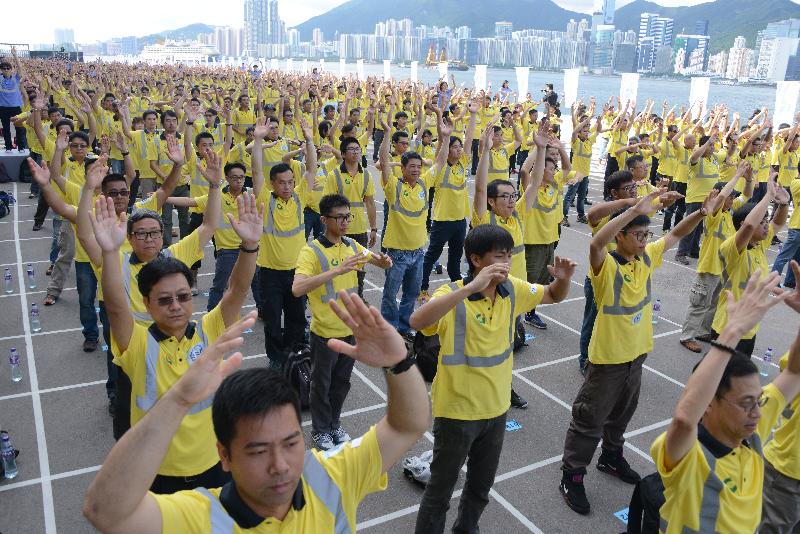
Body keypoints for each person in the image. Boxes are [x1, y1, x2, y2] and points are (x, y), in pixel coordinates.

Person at [83, 292, 431, 532]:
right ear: (225, 455)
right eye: (258, 450)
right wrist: (176, 401)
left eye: (291, 442)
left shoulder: (330, 477)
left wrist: (400, 363)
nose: (280, 465)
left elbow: (408, 426)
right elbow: (105, 512)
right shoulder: (202, 517)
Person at [411, 224, 576, 534]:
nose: (507, 263)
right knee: (439, 492)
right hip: (457, 412)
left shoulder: (511, 287)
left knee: (479, 488)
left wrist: (563, 280)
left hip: (496, 410)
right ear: (476, 260)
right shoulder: (451, 295)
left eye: (509, 256)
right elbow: (418, 321)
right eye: (500, 257)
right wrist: (469, 289)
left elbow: (553, 294)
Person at [97, 185, 260, 494]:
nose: (175, 306)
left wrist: (250, 246)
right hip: (157, 470)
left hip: (213, 465)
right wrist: (108, 252)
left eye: (183, 296)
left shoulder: (208, 330)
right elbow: (117, 306)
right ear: (146, 304)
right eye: (164, 299)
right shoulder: (138, 343)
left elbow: (235, 291)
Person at [559, 188, 711, 515]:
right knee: (589, 420)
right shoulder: (606, 268)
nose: (644, 240)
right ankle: (571, 474)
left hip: (636, 357)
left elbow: (673, 235)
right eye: (638, 235)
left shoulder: (644, 258)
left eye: (646, 234)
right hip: (608, 361)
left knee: (622, 414)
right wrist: (630, 212)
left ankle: (611, 456)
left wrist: (700, 214)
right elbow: (595, 244)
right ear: (621, 236)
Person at [652, 270, 800, 533]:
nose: (758, 412)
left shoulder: (751, 438)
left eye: (758, 401)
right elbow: (685, 418)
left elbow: (794, 372)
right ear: (709, 402)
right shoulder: (689, 455)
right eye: (746, 403)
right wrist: (732, 331)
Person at [292, 193, 392, 450]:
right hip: (325, 333)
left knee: (341, 384)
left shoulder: (351, 245)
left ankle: (334, 424)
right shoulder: (311, 250)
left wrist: (384, 261)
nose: (345, 222)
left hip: (350, 330)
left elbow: (376, 261)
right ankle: (320, 430)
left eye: (348, 216)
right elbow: (297, 288)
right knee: (321, 385)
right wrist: (337, 270)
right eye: (340, 218)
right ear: (324, 220)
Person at [252, 117, 317, 368]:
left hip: (298, 272)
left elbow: (310, 169)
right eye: (282, 183)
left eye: (291, 182)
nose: (288, 186)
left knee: (296, 318)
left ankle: (293, 356)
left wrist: (309, 140)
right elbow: (257, 171)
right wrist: (258, 139)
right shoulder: (265, 200)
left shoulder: (300, 198)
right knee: (271, 319)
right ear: (272, 184)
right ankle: (276, 359)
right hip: (270, 273)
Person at [710, 174, 789, 356]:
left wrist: (783, 204)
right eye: (761, 221)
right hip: (728, 326)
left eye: (765, 220)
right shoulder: (733, 247)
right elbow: (747, 227)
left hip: (748, 328)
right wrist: (768, 195)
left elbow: (777, 222)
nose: (766, 226)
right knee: (720, 381)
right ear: (743, 223)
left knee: (736, 381)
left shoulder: (759, 245)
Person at [679, 165, 753, 353]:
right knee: (699, 303)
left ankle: (703, 331)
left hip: (724, 268)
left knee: (713, 303)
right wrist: (737, 175)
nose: (733, 199)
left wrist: (749, 179)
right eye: (730, 196)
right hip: (710, 266)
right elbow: (721, 197)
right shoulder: (715, 214)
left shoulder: (731, 212)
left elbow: (747, 196)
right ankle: (687, 336)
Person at [378, 98, 429, 340]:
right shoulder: (393, 187)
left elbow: (439, 161)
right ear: (403, 167)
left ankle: (404, 326)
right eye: (412, 166)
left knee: (412, 293)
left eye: (419, 166)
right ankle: (388, 328)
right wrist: (387, 133)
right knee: (390, 293)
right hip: (397, 252)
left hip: (418, 251)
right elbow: (384, 161)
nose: (417, 170)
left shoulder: (424, 185)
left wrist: (444, 132)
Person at [418, 103, 477, 303]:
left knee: (455, 259)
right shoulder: (441, 166)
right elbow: (440, 153)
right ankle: (423, 287)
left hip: (460, 220)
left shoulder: (463, 164)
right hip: (442, 220)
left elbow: (469, 140)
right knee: (431, 256)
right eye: (455, 146)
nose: (459, 149)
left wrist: (474, 114)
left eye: (459, 147)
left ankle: (458, 286)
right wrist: (444, 136)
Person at [0, 48, 26, 151]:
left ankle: (21, 147)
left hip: (16, 107)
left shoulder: (16, 78)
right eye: (4, 68)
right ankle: (9, 147)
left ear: (11, 69)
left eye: (8, 68)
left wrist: (15, 55)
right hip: (3, 108)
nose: (6, 70)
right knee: (6, 129)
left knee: (19, 128)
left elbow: (20, 68)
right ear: (1, 70)